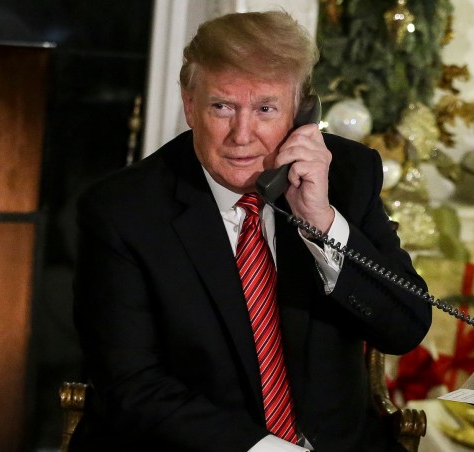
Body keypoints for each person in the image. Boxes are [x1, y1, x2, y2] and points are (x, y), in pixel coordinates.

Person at [71, 10, 432, 452]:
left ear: (301, 115)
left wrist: (322, 222)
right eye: (222, 106)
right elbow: (131, 386)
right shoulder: (123, 211)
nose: (242, 135)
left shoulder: (348, 176)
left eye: (265, 109)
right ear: (190, 105)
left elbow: (406, 327)